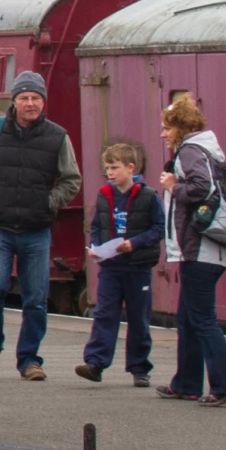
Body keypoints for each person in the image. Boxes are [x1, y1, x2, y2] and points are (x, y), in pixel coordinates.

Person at [0, 71, 82, 381]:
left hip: (36, 230)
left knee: (36, 298)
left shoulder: (57, 137)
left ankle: (29, 360)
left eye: (36, 98)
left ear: (43, 102)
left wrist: (51, 201)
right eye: (25, 98)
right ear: (14, 101)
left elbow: (72, 179)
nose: (31, 103)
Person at [157, 93, 226, 405]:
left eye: (167, 128)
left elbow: (201, 188)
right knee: (188, 318)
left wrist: (173, 187)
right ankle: (186, 382)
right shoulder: (207, 150)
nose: (163, 134)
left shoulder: (190, 152)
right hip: (209, 250)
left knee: (203, 319)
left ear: (180, 128)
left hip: (200, 250)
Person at [75, 140, 161, 387]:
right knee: (104, 313)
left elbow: (157, 228)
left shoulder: (148, 196)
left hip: (138, 267)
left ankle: (139, 367)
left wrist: (135, 243)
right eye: (108, 169)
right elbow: (97, 226)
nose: (110, 173)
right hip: (111, 267)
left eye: (114, 167)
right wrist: (97, 248)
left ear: (130, 167)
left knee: (138, 317)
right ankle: (96, 363)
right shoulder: (104, 196)